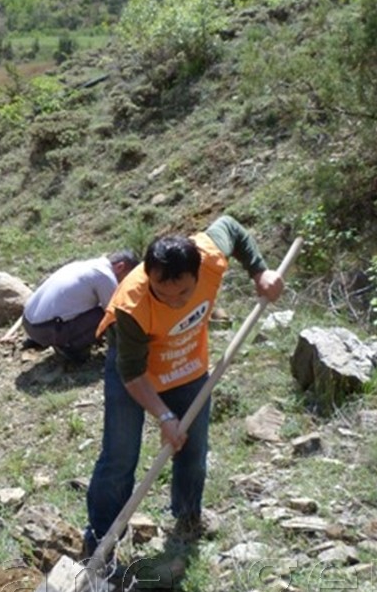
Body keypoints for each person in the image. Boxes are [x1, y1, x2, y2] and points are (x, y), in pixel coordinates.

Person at [85, 216, 285, 560]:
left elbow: (231, 226)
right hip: (135, 369)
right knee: (120, 454)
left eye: (183, 292)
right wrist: (164, 416)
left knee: (192, 448)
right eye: (162, 293)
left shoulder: (209, 255)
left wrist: (260, 271)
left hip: (186, 363)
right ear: (148, 276)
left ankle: (187, 517)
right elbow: (132, 374)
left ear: (198, 272)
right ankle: (101, 540)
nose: (174, 302)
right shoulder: (131, 305)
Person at [22, 250, 139, 362]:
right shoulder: (105, 276)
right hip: (46, 330)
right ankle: (69, 347)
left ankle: (50, 339)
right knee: (106, 315)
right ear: (120, 267)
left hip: (29, 323)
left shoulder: (83, 266)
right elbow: (114, 316)